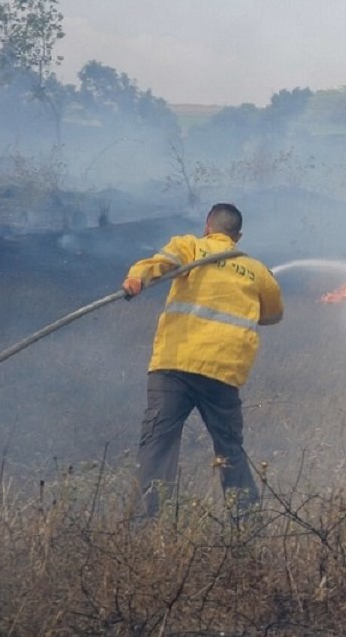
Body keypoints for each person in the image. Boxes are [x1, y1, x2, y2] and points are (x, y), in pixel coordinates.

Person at [122, 203, 284, 517]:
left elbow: (160, 263)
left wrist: (135, 279)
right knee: (230, 451)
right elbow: (274, 314)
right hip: (222, 373)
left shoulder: (191, 246)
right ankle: (246, 528)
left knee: (158, 444)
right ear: (238, 236)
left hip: (174, 366)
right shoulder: (256, 269)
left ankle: (141, 528)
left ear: (207, 226)